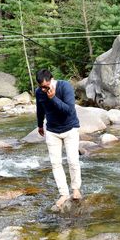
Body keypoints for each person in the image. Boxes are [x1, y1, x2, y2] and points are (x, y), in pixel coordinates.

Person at [35, 69, 82, 209]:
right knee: (55, 164)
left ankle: (75, 189)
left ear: (52, 80)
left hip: (70, 128)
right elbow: (40, 109)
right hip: (52, 131)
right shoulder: (39, 92)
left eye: (46, 86)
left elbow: (68, 110)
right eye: (41, 87)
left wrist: (53, 98)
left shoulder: (64, 86)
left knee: (73, 161)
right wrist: (39, 125)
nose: (44, 89)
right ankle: (63, 193)